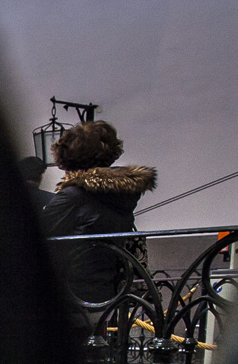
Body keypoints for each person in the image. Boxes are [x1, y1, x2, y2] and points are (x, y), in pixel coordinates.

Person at [40, 120, 154, 307]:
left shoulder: (74, 197)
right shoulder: (121, 195)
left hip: (68, 295)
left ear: (68, 158)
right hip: (103, 293)